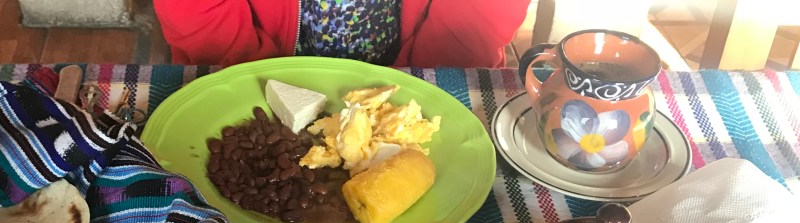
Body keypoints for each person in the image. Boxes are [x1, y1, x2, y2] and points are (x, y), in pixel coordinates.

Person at [154, 0, 532, 68]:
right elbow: (196, 10)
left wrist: (418, 84)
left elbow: (481, 11)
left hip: (433, 70)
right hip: (245, 70)